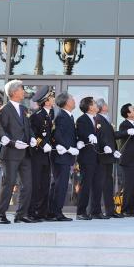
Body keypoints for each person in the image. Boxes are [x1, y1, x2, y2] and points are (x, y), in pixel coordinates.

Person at [0, 79, 35, 224]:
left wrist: (32, 138)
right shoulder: (5, 110)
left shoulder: (24, 109)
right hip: (10, 153)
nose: (23, 91)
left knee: (27, 185)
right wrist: (12, 143)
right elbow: (0, 130)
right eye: (21, 89)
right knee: (9, 184)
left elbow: (28, 127)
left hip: (25, 152)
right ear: (13, 92)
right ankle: (0, 214)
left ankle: (21, 214)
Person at [48, 92, 77, 222]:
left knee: (59, 184)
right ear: (66, 102)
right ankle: (56, 212)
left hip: (66, 155)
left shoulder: (69, 116)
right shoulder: (61, 116)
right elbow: (57, 135)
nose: (74, 100)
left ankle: (53, 211)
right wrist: (67, 147)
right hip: (61, 156)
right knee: (61, 185)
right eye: (72, 98)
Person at [28, 86, 55, 221]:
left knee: (45, 183)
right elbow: (33, 134)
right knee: (36, 184)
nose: (53, 99)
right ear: (46, 101)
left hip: (47, 155)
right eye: (51, 97)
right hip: (38, 154)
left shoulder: (51, 114)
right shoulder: (37, 116)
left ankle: (42, 212)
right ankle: (32, 212)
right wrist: (43, 144)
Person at [75, 96, 101, 220]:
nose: (97, 105)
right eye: (95, 103)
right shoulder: (82, 119)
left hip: (96, 156)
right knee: (85, 184)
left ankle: (94, 211)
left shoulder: (96, 119)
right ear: (90, 107)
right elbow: (81, 132)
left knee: (96, 184)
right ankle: (81, 212)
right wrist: (88, 135)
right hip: (86, 157)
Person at [96, 98, 122, 218]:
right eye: (105, 104)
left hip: (109, 156)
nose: (107, 105)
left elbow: (111, 137)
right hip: (101, 156)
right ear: (101, 107)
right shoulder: (97, 119)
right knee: (100, 184)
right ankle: (96, 210)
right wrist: (104, 148)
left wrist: (115, 150)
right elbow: (98, 137)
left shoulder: (105, 119)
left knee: (108, 184)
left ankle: (110, 210)